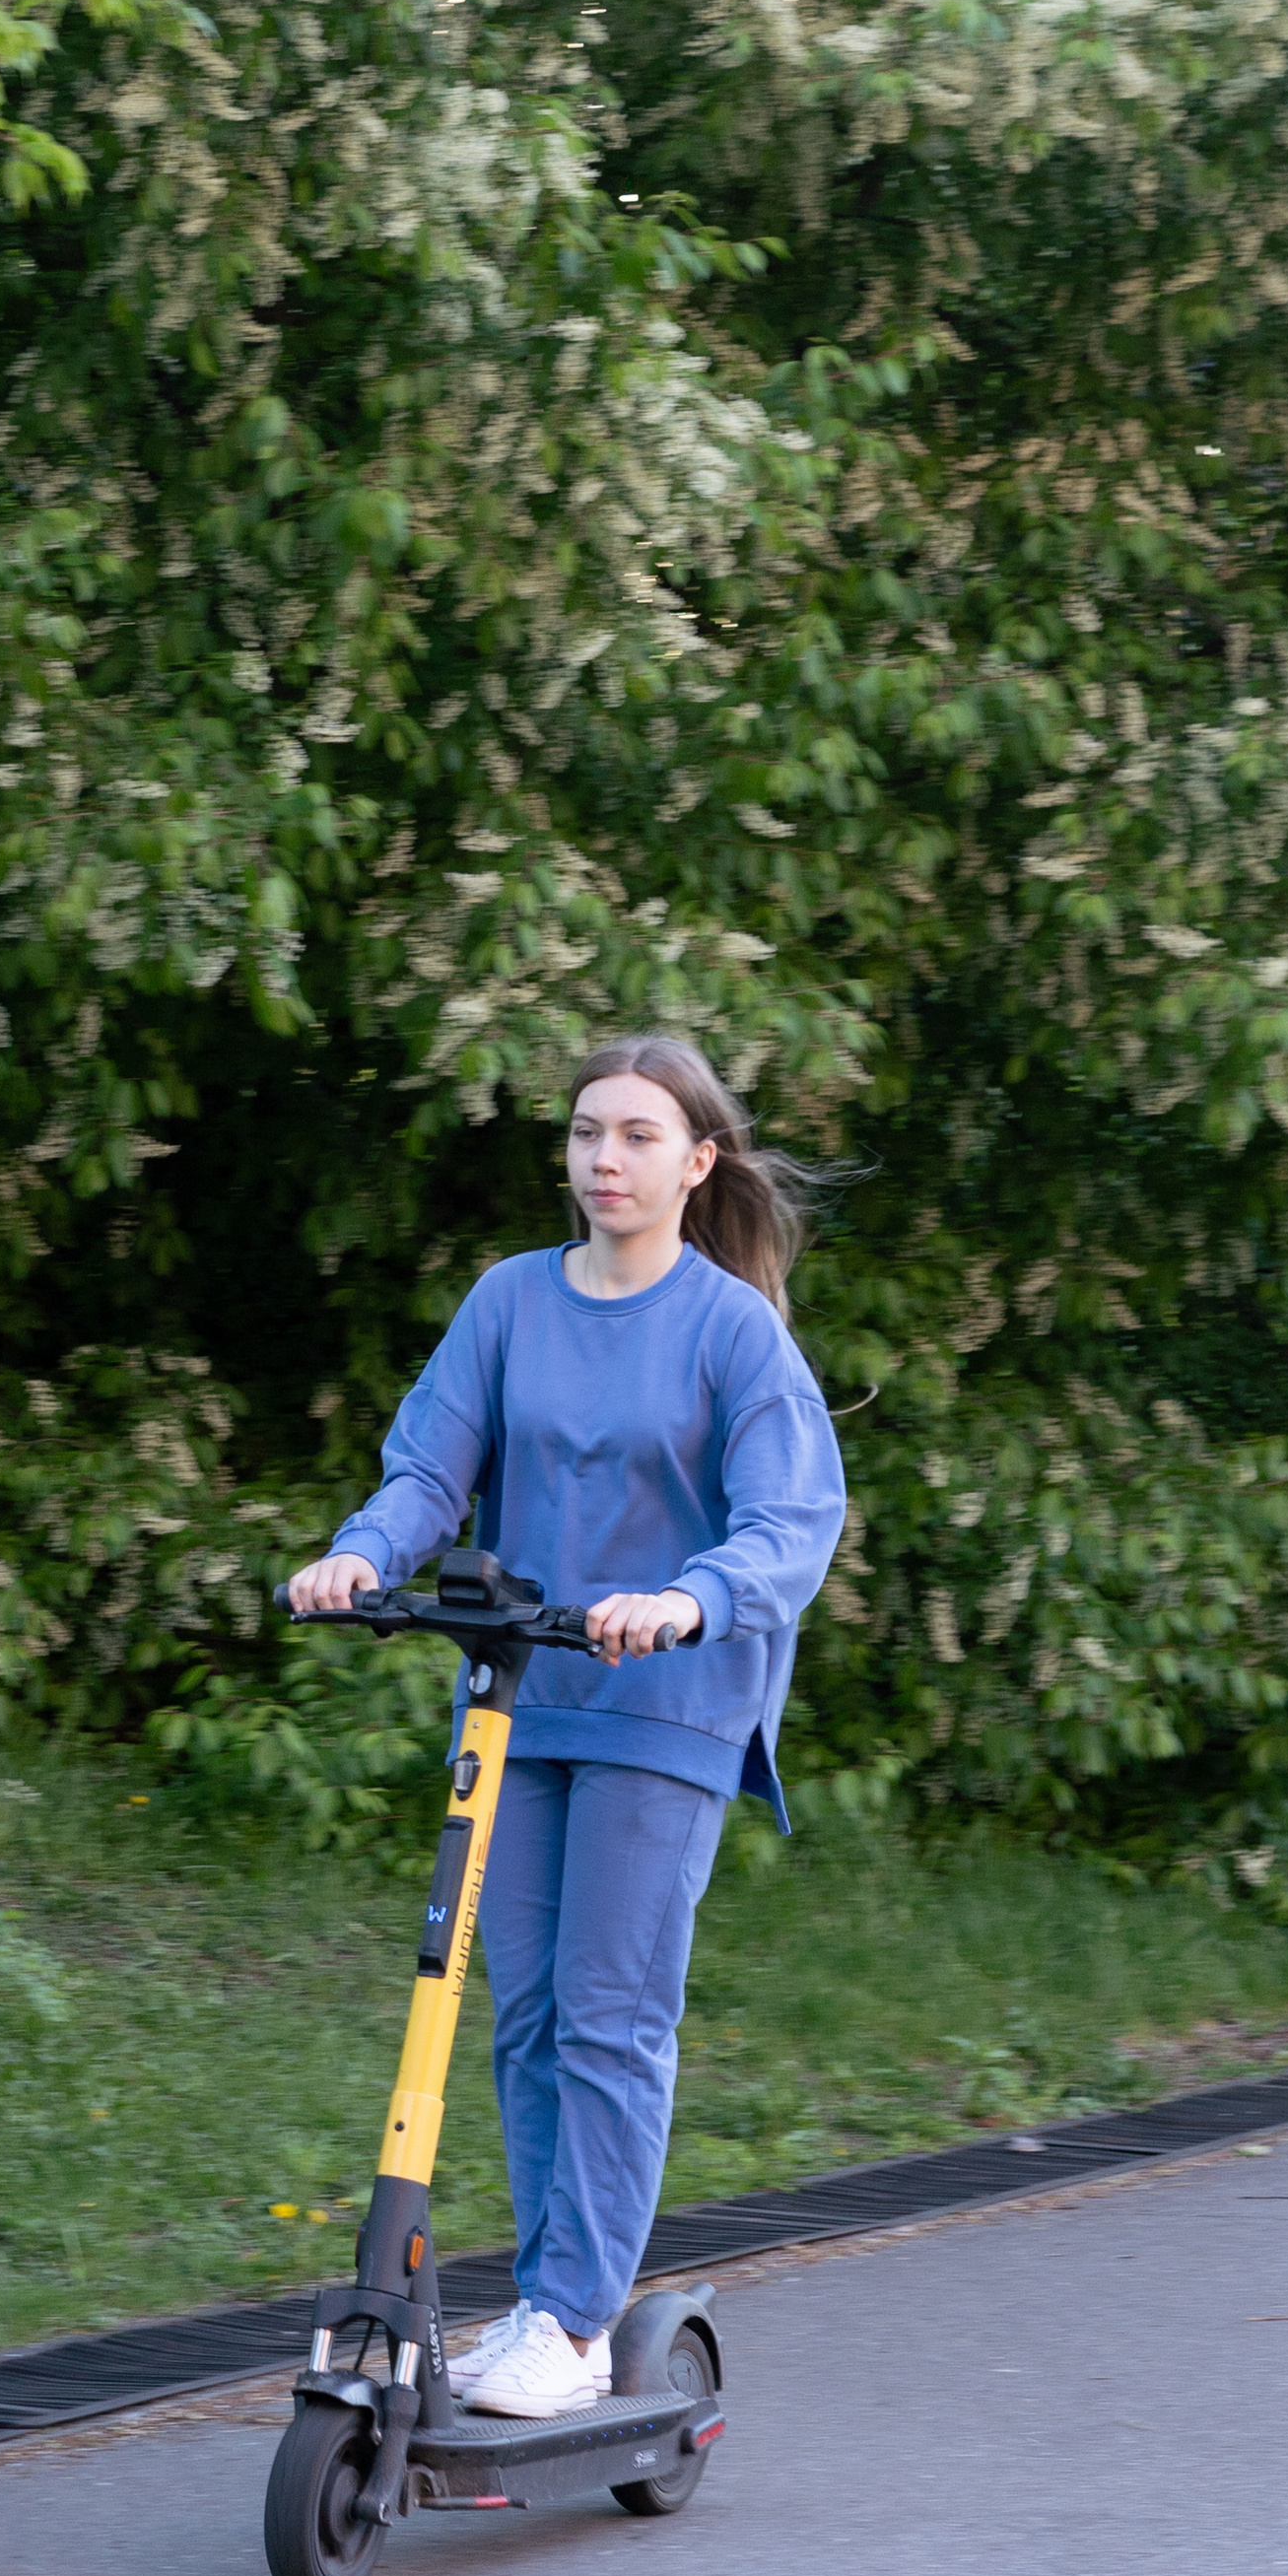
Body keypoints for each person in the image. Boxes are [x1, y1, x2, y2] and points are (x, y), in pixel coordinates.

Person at [286, 1033, 847, 2420]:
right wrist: (365, 1554)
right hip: (524, 1701)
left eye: (639, 1136)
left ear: (697, 1160)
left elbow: (792, 1523)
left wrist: (687, 1598)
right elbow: (431, 1462)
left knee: (608, 2016)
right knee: (524, 2015)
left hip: (667, 1708)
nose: (605, 1158)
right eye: (589, 1132)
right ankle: (550, 2305)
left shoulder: (731, 1331)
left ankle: (579, 2318)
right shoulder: (510, 1301)